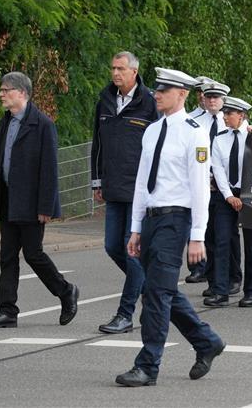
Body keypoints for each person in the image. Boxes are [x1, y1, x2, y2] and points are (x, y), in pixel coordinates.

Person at [116, 67, 224, 387]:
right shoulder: (151, 131)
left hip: (176, 219)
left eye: (164, 90)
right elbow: (141, 183)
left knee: (155, 295)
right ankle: (207, 341)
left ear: (182, 94)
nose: (157, 94)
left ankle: (148, 365)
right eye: (157, 90)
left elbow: (200, 187)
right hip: (151, 218)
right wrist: (136, 227)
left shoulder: (194, 133)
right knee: (160, 289)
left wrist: (197, 235)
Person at [0, 72, 79, 329]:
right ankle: (7, 311)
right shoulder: (6, 122)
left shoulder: (42, 124)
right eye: (1, 90)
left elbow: (49, 169)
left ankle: (66, 291)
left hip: (32, 203)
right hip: (9, 200)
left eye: (6, 90)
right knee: (8, 256)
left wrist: (46, 206)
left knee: (33, 254)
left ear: (21, 92)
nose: (1, 94)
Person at [91, 51, 158, 334]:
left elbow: (159, 148)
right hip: (113, 186)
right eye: (113, 68)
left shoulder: (150, 103)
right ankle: (150, 287)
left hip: (139, 190)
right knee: (112, 247)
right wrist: (97, 181)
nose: (116, 73)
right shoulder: (105, 100)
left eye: (121, 68)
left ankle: (125, 314)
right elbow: (97, 143)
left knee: (132, 253)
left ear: (134, 72)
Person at [207, 96, 252, 308]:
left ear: (241, 115)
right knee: (222, 242)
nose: (225, 117)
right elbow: (218, 169)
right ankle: (220, 291)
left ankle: (251, 292)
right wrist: (229, 195)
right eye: (224, 113)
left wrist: (244, 196)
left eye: (229, 114)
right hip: (227, 195)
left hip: (251, 195)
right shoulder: (220, 138)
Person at [184, 78, 228, 284]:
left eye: (214, 97)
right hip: (200, 179)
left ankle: (219, 273)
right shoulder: (193, 120)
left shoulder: (229, 119)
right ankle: (198, 267)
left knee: (219, 232)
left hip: (223, 183)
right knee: (198, 222)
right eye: (205, 95)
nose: (209, 100)